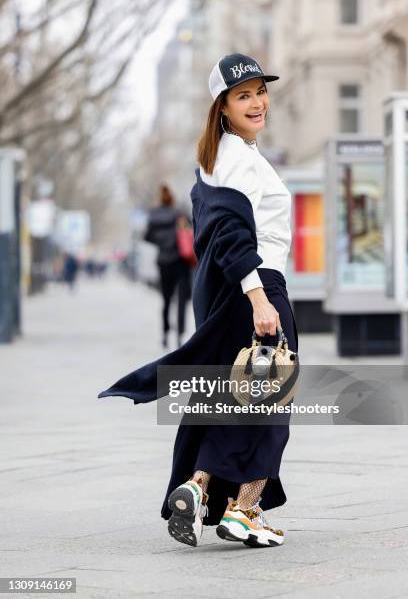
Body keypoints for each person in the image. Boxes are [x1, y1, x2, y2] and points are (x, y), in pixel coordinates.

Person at [98, 53, 298, 549]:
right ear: (222, 107)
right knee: (271, 406)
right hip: (260, 289)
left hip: (237, 293)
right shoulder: (235, 158)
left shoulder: (219, 158)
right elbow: (230, 236)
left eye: (259, 91)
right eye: (243, 96)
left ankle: (198, 485)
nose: (257, 103)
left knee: (229, 400)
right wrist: (260, 299)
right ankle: (244, 510)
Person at [144, 184, 192, 348]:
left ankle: (165, 334)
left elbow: (147, 237)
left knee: (165, 299)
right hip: (181, 260)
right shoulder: (179, 213)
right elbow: (190, 229)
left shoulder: (153, 216)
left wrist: (161, 242)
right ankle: (180, 334)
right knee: (182, 300)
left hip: (163, 261)